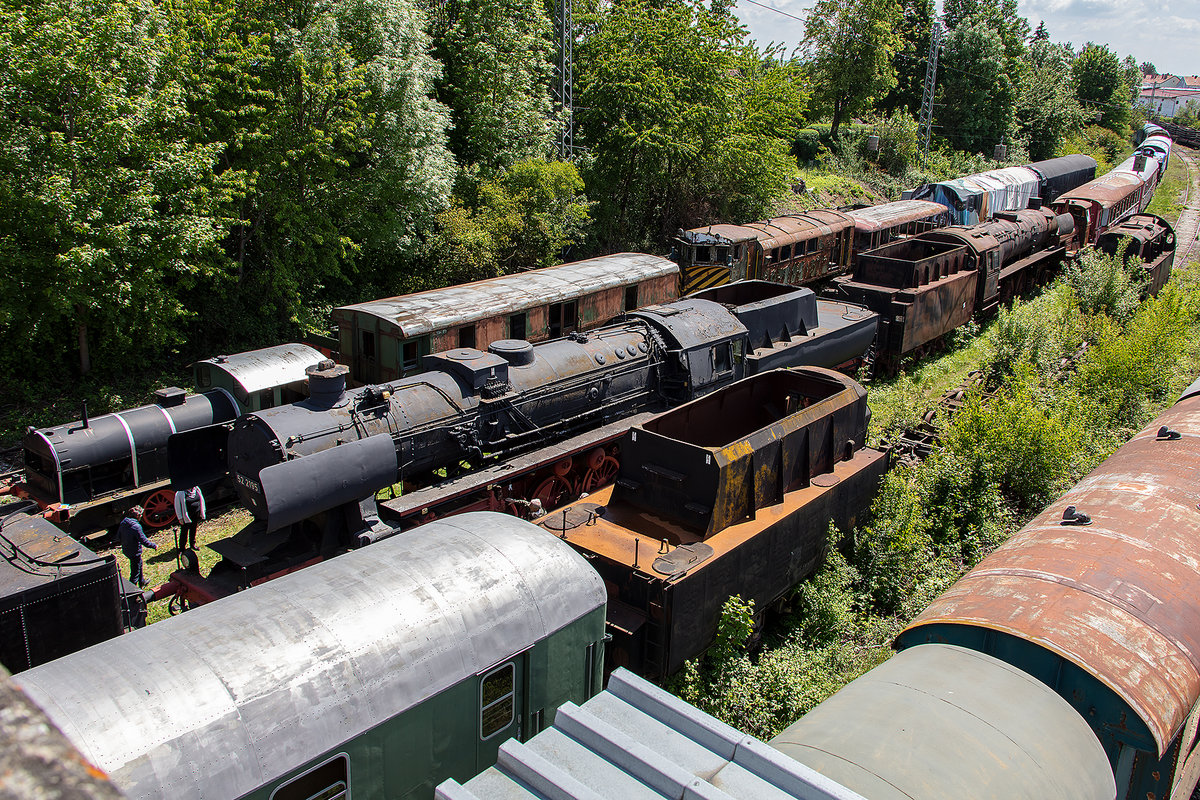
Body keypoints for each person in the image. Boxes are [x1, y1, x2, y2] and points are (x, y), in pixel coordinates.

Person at [118, 506, 157, 588]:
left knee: (139, 564)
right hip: (134, 552)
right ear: (138, 516)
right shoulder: (136, 527)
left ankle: (142, 581)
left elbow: (119, 536)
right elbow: (144, 541)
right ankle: (133, 591)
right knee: (135, 573)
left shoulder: (123, 522)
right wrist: (154, 545)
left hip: (126, 550)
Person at [173, 485, 206, 551]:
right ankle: (182, 548)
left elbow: (201, 499)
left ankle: (192, 544)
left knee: (193, 529)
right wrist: (180, 518)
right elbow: (177, 507)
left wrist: (202, 511)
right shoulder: (180, 493)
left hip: (195, 514)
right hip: (186, 516)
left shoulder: (196, 489)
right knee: (184, 532)